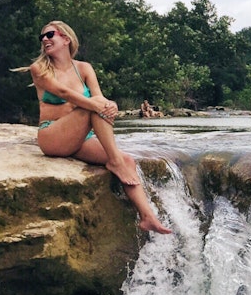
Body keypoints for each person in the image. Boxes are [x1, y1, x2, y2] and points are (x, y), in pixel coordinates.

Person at [15, 20, 172, 234]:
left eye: (50, 34)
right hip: (52, 136)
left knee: (127, 160)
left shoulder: (84, 68)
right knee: (92, 110)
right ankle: (114, 161)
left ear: (66, 39)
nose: (44, 39)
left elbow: (99, 98)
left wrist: (110, 104)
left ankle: (147, 217)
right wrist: (99, 105)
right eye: (41, 37)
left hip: (81, 138)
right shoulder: (39, 69)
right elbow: (64, 94)